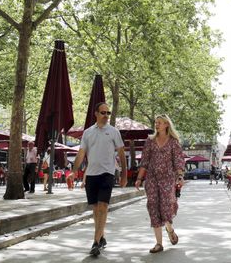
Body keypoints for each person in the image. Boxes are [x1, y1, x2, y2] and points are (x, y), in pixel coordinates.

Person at [68, 102, 127, 257]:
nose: (106, 115)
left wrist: (124, 175)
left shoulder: (114, 132)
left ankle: (95, 242)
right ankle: (101, 236)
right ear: (96, 114)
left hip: (107, 173)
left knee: (103, 206)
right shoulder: (87, 133)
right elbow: (81, 153)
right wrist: (74, 172)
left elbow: (121, 154)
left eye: (108, 113)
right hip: (92, 175)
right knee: (95, 209)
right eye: (103, 112)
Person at [134, 114, 185, 254]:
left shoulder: (174, 142)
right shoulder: (150, 141)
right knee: (153, 207)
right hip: (152, 179)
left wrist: (180, 176)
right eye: (156, 122)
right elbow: (144, 161)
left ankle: (169, 229)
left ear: (167, 125)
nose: (157, 125)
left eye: (160, 122)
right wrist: (139, 178)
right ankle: (159, 243)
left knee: (165, 207)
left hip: (168, 179)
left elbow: (179, 161)